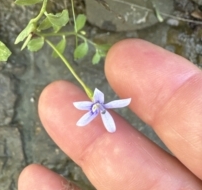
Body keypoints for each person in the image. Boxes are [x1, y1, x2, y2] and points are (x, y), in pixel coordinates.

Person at [18, 39, 202, 189]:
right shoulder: (93, 107)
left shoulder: (97, 105)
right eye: (95, 107)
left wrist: (97, 105)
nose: (96, 108)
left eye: (97, 106)